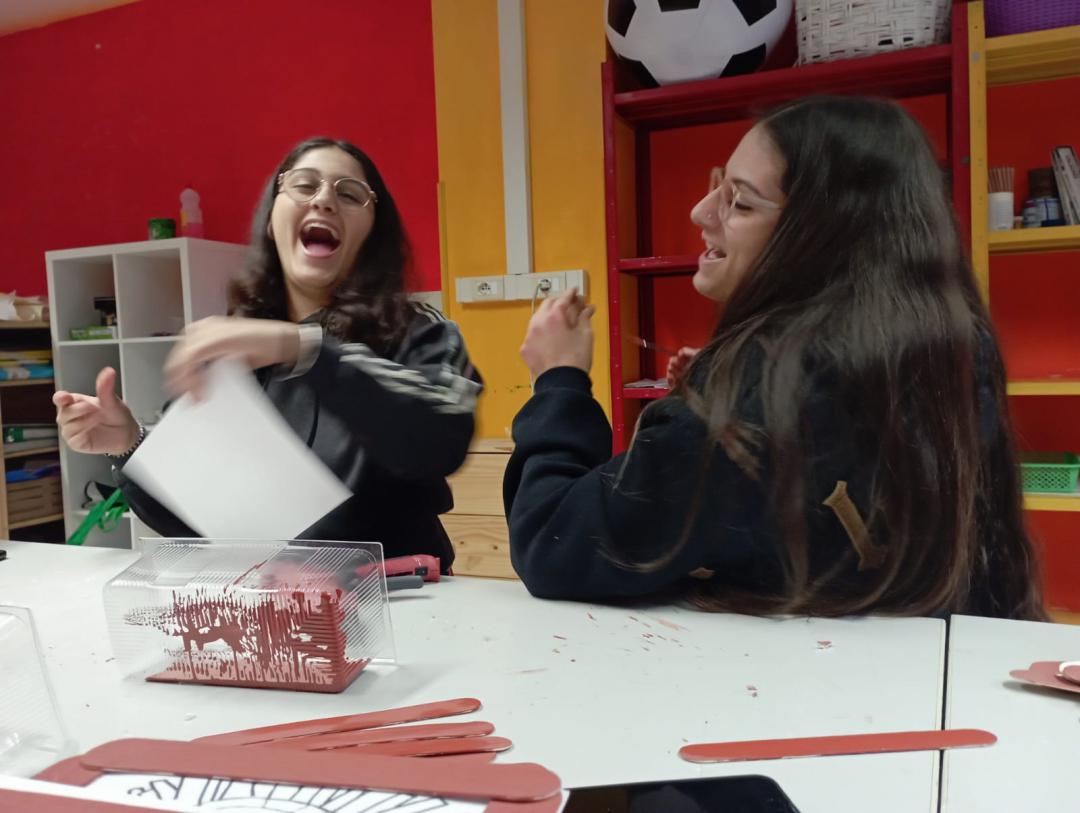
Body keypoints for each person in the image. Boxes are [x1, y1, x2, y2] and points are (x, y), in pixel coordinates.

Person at [504, 96, 1044, 618]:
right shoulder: (954, 344)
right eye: (717, 188)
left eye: (740, 202)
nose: (699, 212)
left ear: (824, 236)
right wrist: (712, 406)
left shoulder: (759, 394)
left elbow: (550, 543)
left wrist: (560, 381)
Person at [54, 137, 482, 568]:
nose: (324, 200)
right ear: (272, 221)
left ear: (373, 233)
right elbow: (201, 522)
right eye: (304, 185)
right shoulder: (233, 350)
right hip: (274, 597)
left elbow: (441, 435)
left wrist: (303, 347)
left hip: (402, 593)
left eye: (350, 194)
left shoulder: (418, 329)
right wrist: (129, 443)